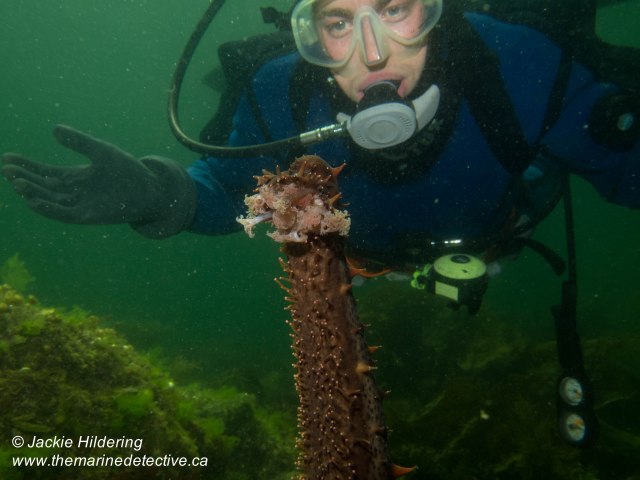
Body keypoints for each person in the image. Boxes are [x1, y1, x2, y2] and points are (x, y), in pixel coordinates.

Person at [2, 0, 639, 269]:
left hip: (498, 232)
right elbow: (228, 192)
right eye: (339, 21)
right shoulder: (282, 91)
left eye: (394, 10)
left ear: (435, 11)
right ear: (310, 33)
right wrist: (157, 193)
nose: (374, 54)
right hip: (355, 269)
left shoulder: (518, 64)